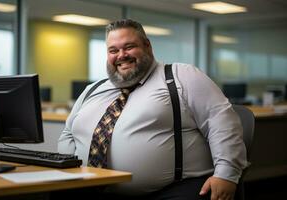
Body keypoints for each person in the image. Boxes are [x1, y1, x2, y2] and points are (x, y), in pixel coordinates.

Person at [58, 19, 248, 200]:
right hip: (90, 188)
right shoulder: (93, 89)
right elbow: (68, 132)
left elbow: (222, 122)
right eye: (113, 50)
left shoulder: (180, 76)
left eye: (129, 47)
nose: (121, 55)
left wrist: (226, 175)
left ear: (147, 45)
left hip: (171, 190)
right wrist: (68, 171)